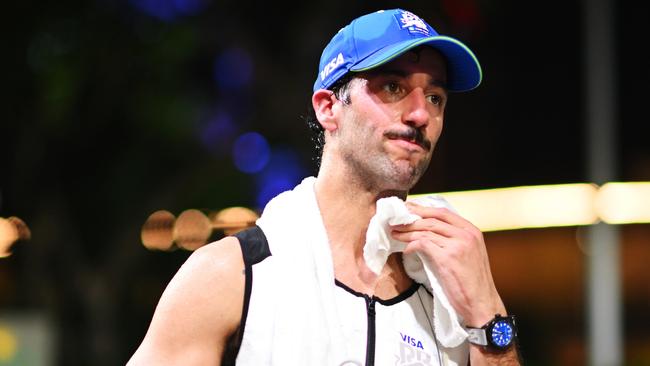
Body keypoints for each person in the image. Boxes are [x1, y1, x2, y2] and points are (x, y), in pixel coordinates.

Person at [128, 8, 521, 366]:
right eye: (393, 88)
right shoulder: (234, 275)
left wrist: (488, 315)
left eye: (435, 97)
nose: (421, 114)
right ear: (328, 107)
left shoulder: (449, 288)